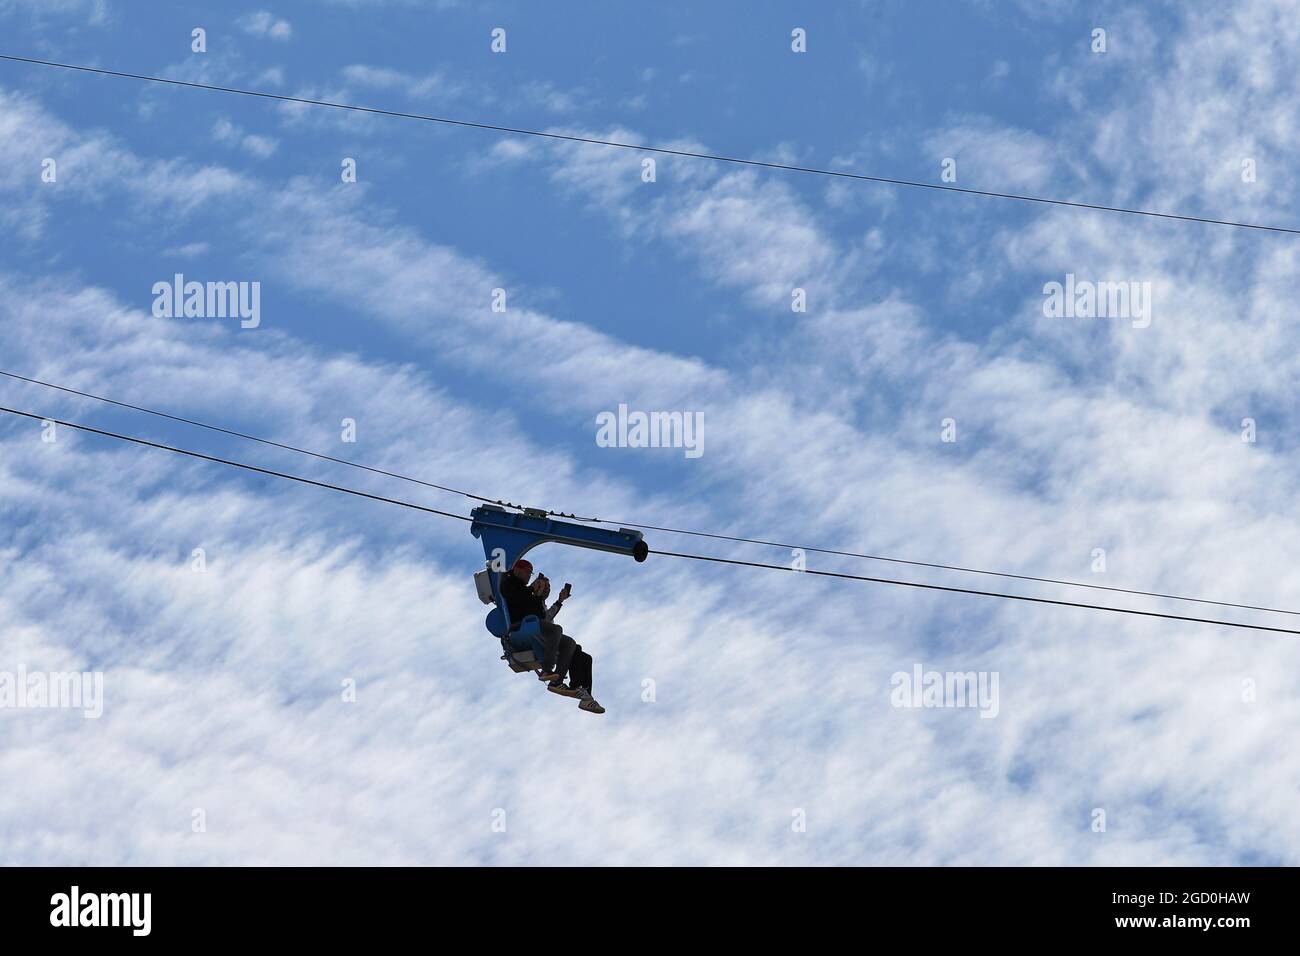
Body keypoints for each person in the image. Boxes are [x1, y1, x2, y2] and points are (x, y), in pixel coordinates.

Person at [499, 560, 604, 714]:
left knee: (575, 649)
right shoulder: (510, 585)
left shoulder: (534, 600)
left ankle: (581, 694)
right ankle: (548, 670)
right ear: (518, 570)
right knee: (556, 630)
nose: (529, 576)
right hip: (520, 628)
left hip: (537, 629)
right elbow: (517, 597)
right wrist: (532, 590)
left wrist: (559, 600)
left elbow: (546, 617)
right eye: (528, 572)